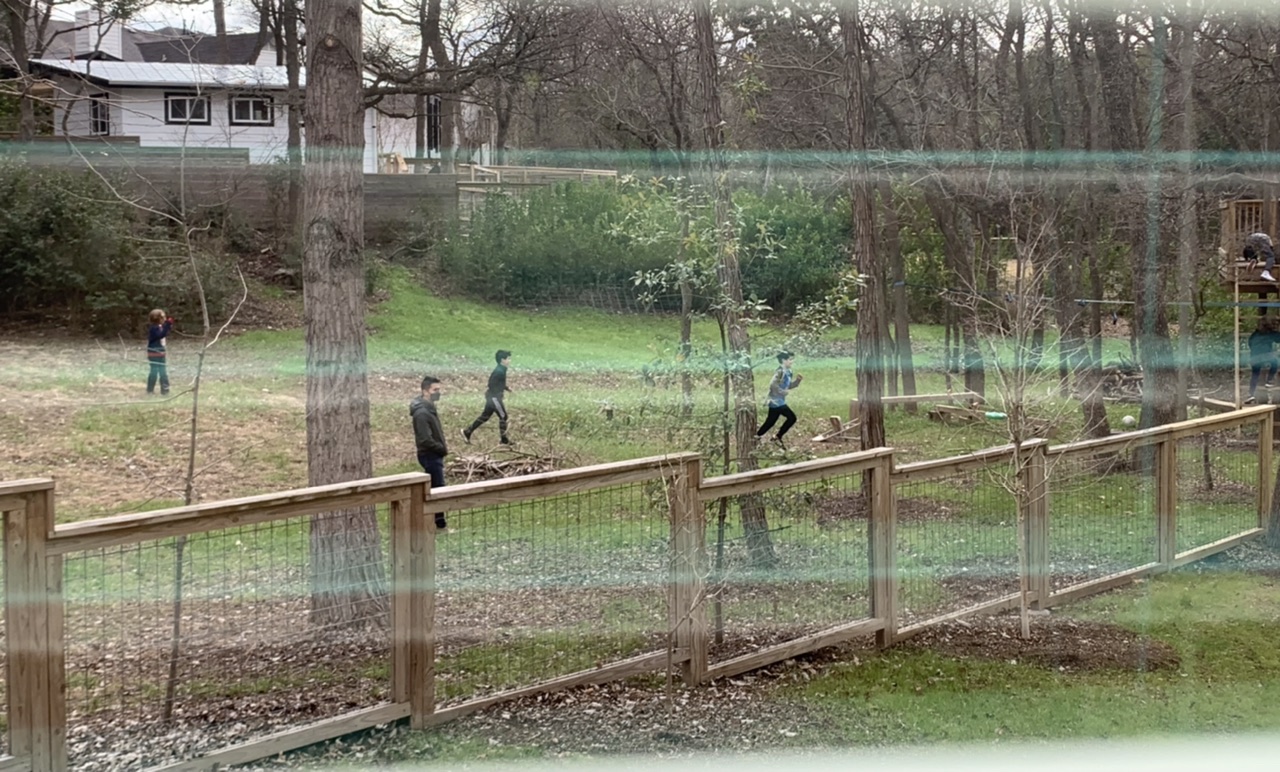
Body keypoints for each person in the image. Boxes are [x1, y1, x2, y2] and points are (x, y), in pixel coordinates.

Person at [410, 375, 450, 530]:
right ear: (425, 391)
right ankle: (439, 523)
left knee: (436, 486)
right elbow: (425, 439)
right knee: (437, 487)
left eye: (439, 389)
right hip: (430, 454)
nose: (438, 393)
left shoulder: (428, 409)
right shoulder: (421, 413)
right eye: (435, 390)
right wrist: (440, 448)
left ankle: (435, 521)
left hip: (434, 453)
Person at [462, 349, 513, 445]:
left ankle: (468, 431)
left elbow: (499, 383)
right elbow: (491, 384)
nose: (509, 361)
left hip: (492, 397)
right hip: (494, 397)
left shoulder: (502, 369)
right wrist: (497, 394)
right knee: (503, 416)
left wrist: (505, 388)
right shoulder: (499, 371)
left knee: (485, 416)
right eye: (508, 359)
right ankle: (504, 439)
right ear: (502, 360)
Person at [756, 351, 803, 446]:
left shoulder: (789, 372)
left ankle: (756, 437)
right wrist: (783, 392)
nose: (792, 361)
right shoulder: (780, 372)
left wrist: (797, 381)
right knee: (792, 418)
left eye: (792, 359)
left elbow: (787, 385)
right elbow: (773, 385)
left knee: (770, 421)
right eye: (790, 359)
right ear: (783, 360)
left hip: (779, 400)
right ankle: (777, 436)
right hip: (776, 401)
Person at [1246, 318, 1279, 404]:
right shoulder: (1270, 334)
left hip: (1254, 357)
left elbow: (1250, 343)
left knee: (1255, 375)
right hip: (1265, 356)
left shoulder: (1255, 334)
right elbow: (1278, 339)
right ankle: (1269, 381)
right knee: (1275, 363)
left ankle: (1251, 394)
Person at [146, 308, 174, 396]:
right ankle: (160, 390)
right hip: (155, 351)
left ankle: (160, 390)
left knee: (160, 370)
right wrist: (168, 325)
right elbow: (161, 335)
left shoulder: (158, 327)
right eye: (163, 317)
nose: (165, 318)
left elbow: (163, 333)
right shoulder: (154, 328)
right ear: (159, 319)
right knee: (158, 370)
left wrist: (167, 326)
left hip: (159, 351)